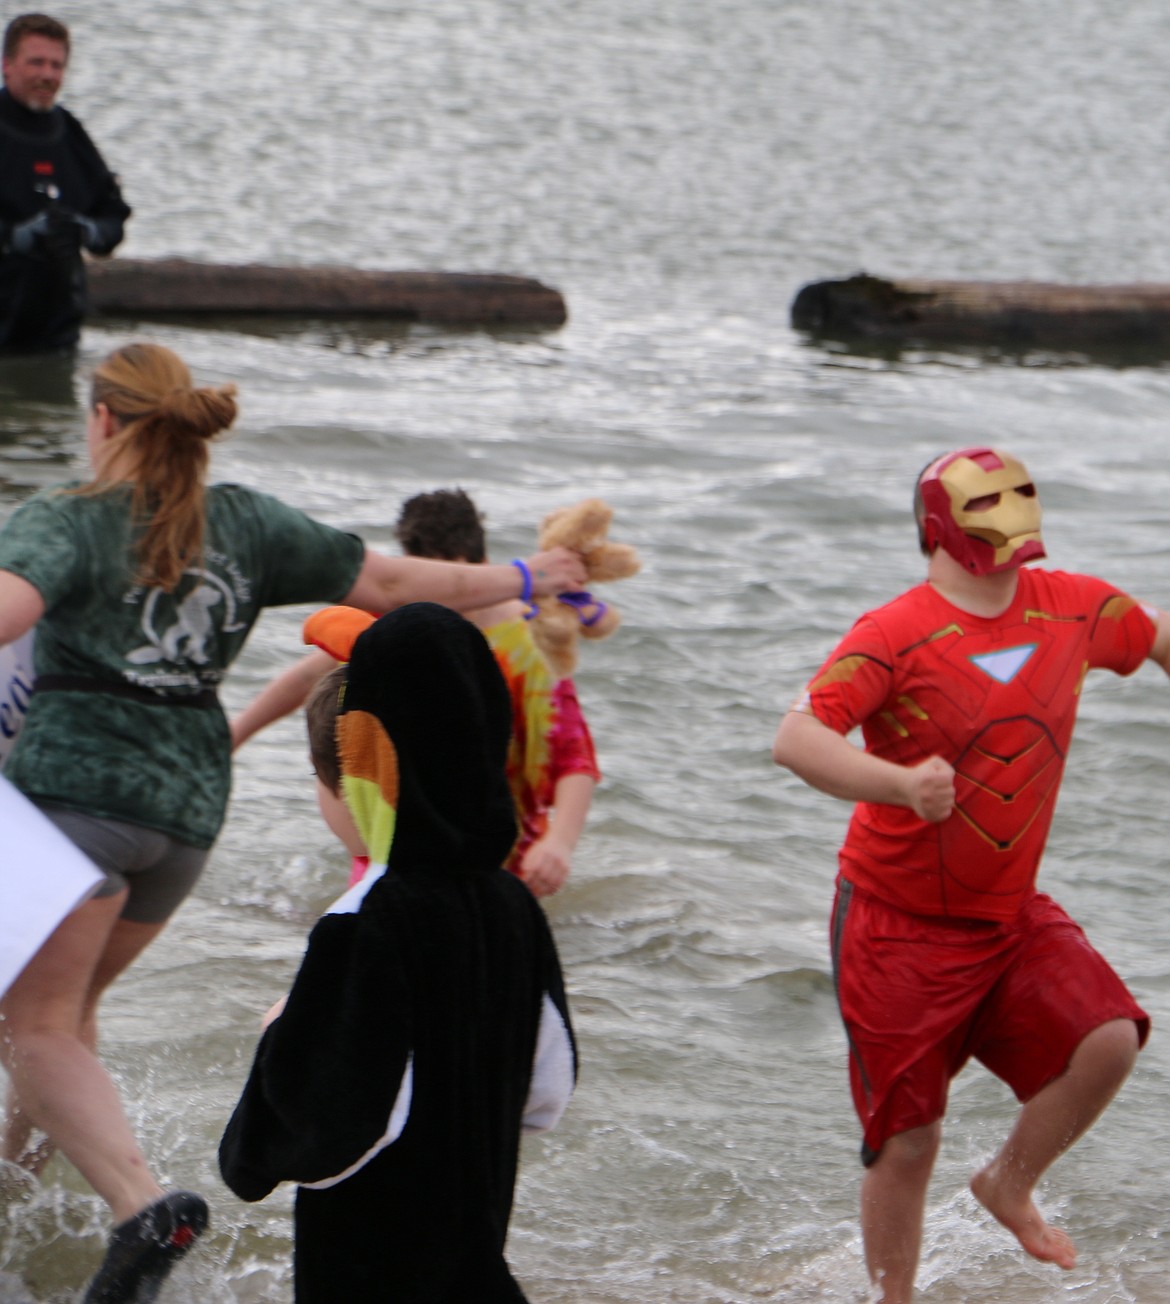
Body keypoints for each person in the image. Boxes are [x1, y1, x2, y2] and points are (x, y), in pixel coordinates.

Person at [0, 341, 585, 1301]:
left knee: (34, 1020)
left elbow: (9, 610)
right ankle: (20, 1201)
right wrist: (523, 577)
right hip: (184, 817)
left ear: (101, 420)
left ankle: (137, 1206)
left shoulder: (70, 521)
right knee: (59, 1016)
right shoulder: (245, 524)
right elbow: (398, 590)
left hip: (76, 799)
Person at [771, 446, 1170, 1304]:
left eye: (1019, 490)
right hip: (893, 923)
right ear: (938, 525)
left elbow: (1160, 634)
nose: (1011, 508)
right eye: (989, 497)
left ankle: (1008, 1184)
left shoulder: (1074, 609)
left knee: (1108, 1038)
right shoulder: (893, 633)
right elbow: (796, 739)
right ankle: (894, 1299)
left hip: (1007, 914)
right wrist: (901, 784)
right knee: (909, 1140)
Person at [219, 603, 578, 1303]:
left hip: (369, 1271)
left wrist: (279, 1040)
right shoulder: (516, 909)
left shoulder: (364, 921)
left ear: (358, 772)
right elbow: (547, 1091)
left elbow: (335, 1127)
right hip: (476, 1260)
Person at [232, 487, 601, 898]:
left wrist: (560, 845)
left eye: (451, 584)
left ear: (475, 566)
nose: (437, 598)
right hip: (400, 842)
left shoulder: (529, 645)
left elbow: (572, 755)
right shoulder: (401, 627)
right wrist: (234, 735)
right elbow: (304, 678)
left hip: (504, 855)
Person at [0, 14, 131, 353]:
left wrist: (87, 230)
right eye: (36, 63)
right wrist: (17, 237)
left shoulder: (70, 135)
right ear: (7, 65)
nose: (47, 75)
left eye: (56, 66)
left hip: (56, 338)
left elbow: (113, 220)